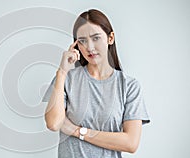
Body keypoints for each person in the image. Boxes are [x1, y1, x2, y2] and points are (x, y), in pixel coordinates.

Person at [42, 9, 150, 158]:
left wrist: (77, 131)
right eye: (82, 41)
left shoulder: (129, 86)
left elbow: (130, 143)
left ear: (110, 38)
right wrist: (61, 71)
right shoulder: (67, 79)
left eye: (96, 38)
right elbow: (53, 124)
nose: (90, 47)